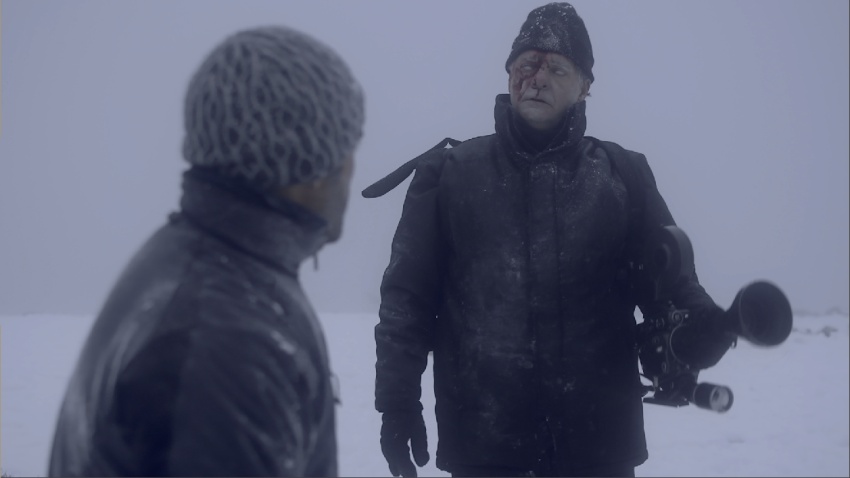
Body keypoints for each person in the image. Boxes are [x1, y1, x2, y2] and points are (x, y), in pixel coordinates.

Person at [372, 3, 735, 477]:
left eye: (557, 69)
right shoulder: (449, 175)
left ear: (585, 87)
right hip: (485, 447)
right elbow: (407, 302)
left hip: (599, 451)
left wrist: (704, 327)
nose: (537, 79)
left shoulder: (623, 175)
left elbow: (672, 285)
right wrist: (397, 403)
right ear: (509, 76)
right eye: (527, 65)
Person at [48, 25, 364, 477]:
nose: (352, 168)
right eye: (348, 147)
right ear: (313, 164)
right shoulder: (227, 343)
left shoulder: (200, 262)